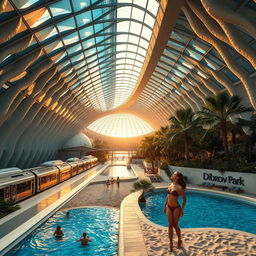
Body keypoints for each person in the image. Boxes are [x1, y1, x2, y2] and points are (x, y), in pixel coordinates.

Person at [164, 171, 186, 252]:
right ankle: (171, 244)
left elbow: (184, 200)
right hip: (168, 207)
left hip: (176, 208)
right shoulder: (170, 185)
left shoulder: (179, 188)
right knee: (170, 224)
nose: (172, 175)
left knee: (175, 225)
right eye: (173, 174)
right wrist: (164, 205)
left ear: (177, 177)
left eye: (174, 174)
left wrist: (182, 210)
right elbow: (168, 196)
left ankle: (179, 239)